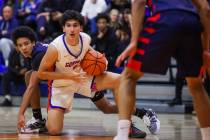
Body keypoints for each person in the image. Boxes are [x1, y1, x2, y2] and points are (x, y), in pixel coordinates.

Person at [13, 25, 160, 137]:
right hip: (63, 83)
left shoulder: (39, 55)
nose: (24, 48)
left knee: (106, 108)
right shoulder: (34, 53)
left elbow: (32, 86)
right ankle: (38, 118)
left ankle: (137, 117)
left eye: (26, 44)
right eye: (20, 45)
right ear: (16, 47)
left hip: (78, 78)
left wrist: (21, 113)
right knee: (29, 76)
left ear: (33, 42)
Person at [115, 0, 210, 140]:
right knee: (196, 85)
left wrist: (134, 41)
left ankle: (122, 136)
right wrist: (206, 49)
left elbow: (138, 2)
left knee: (128, 77)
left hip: (164, 20)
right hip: (192, 23)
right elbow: (206, 8)